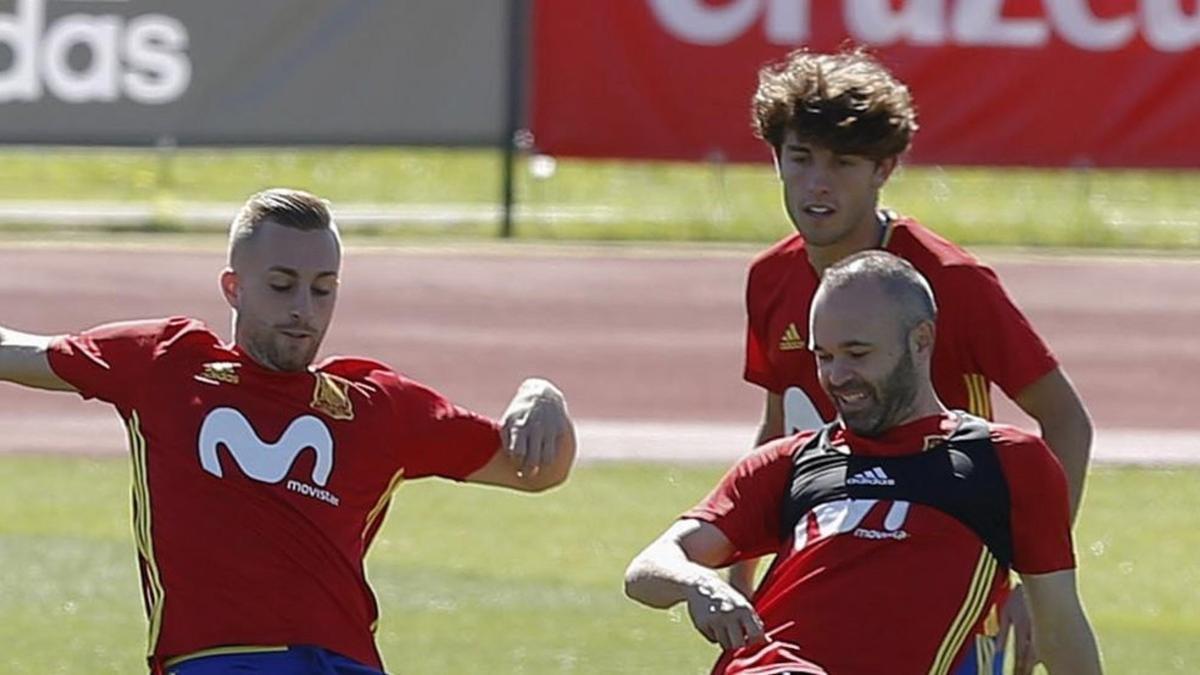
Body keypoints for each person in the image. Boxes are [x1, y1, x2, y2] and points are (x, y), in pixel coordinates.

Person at [0, 188, 577, 675]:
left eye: (322, 288)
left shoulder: (377, 403)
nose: (304, 307)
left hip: (346, 662)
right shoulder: (165, 360)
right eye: (281, 285)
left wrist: (541, 393)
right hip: (218, 659)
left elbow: (536, 472)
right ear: (233, 287)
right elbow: (15, 351)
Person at [732, 48, 1093, 674]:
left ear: (884, 168)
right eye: (800, 158)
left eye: (843, 163)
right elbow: (782, 427)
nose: (818, 182)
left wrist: (1040, 587)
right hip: (825, 577)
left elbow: (1065, 420)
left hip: (950, 591)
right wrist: (742, 576)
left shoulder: (951, 281)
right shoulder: (770, 278)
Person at [626, 251, 1102, 675]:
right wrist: (697, 586)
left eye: (857, 353)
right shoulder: (791, 462)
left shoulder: (1003, 462)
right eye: (824, 356)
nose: (836, 376)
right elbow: (649, 567)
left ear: (921, 340)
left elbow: (1060, 629)